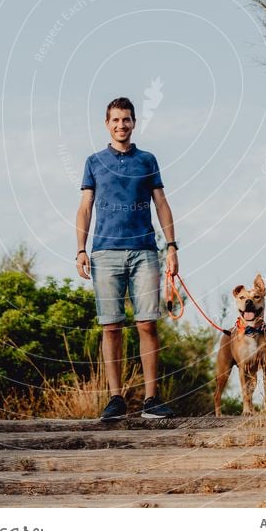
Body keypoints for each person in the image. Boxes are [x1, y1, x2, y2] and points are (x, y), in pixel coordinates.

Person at [76, 96, 178, 420]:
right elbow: (85, 207)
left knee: (147, 323)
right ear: (107, 124)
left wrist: (172, 246)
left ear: (134, 123)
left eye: (127, 120)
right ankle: (116, 399)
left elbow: (161, 203)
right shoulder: (94, 162)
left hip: (145, 251)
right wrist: (80, 249)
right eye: (116, 120)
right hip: (104, 253)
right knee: (111, 327)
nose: (121, 125)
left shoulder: (147, 160)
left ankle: (150, 399)